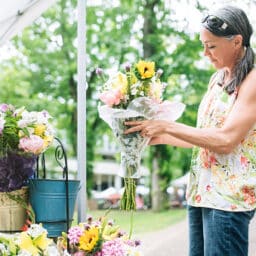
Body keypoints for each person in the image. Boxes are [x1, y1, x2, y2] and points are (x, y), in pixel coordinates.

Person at [124, 5, 256, 256]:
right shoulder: (217, 80)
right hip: (200, 195)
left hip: (228, 201)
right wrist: (159, 137)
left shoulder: (253, 81)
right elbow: (205, 137)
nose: (205, 53)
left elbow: (226, 140)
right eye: (203, 45)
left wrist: (166, 125)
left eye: (212, 46)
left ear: (237, 41)